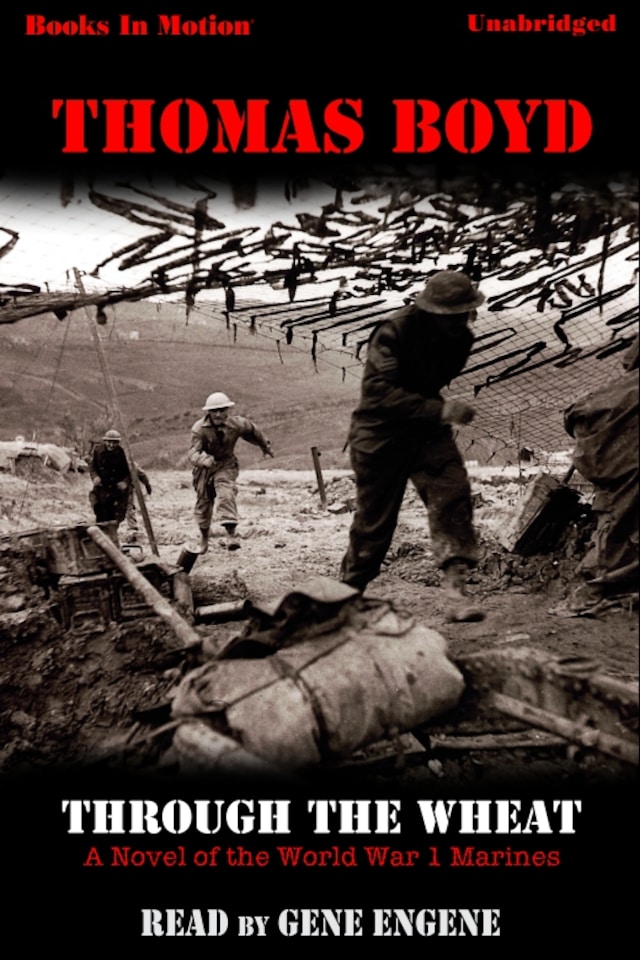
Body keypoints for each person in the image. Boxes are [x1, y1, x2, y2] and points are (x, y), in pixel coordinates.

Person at [340, 270, 485, 622]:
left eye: (464, 313)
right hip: (379, 435)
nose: (461, 321)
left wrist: (434, 412)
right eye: (453, 315)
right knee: (374, 525)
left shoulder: (461, 339)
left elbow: (428, 384)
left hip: (425, 433)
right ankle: (344, 598)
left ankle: (456, 592)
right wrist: (442, 410)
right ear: (433, 311)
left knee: (453, 495)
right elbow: (379, 394)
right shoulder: (393, 332)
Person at [189, 392, 273, 551]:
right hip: (204, 469)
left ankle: (231, 535)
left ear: (228, 410)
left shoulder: (237, 424)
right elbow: (192, 453)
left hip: (226, 465)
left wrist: (265, 446)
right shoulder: (199, 429)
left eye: (222, 410)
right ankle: (204, 539)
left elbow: (253, 431)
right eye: (215, 411)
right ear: (209, 412)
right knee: (203, 504)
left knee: (226, 492)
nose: (218, 414)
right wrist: (203, 460)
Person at [89, 428, 131, 527]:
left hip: (116, 491)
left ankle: (112, 537)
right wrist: (95, 477)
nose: (111, 445)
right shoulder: (97, 451)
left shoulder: (122, 454)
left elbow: (130, 472)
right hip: (102, 489)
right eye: (109, 442)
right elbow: (92, 467)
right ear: (105, 441)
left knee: (115, 518)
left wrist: (125, 482)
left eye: (114, 443)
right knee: (100, 515)